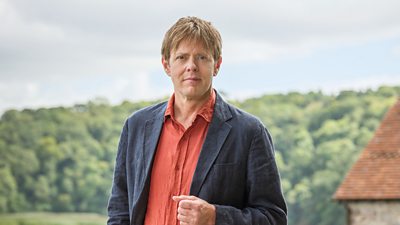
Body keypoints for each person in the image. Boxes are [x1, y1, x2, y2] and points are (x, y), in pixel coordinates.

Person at [107, 16, 287, 225]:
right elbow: (120, 212)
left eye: (202, 57)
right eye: (182, 57)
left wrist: (215, 217)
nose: (191, 66)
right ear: (166, 65)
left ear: (217, 65)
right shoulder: (136, 126)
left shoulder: (249, 132)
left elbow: (273, 218)